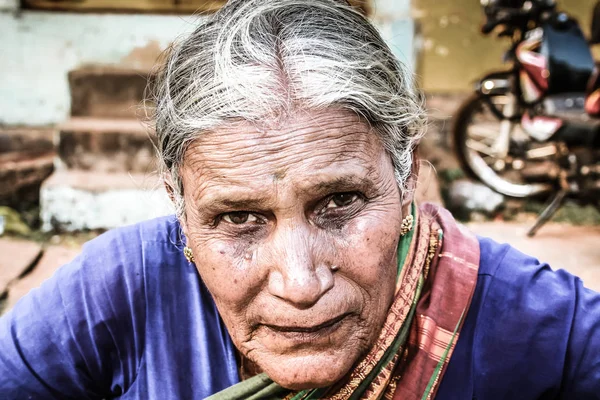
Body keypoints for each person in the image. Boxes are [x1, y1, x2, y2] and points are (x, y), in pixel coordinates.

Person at [1, 0, 599, 398]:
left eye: (339, 202)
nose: (300, 282)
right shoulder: (118, 289)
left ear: (408, 176)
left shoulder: (543, 324)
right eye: (238, 217)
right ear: (179, 206)